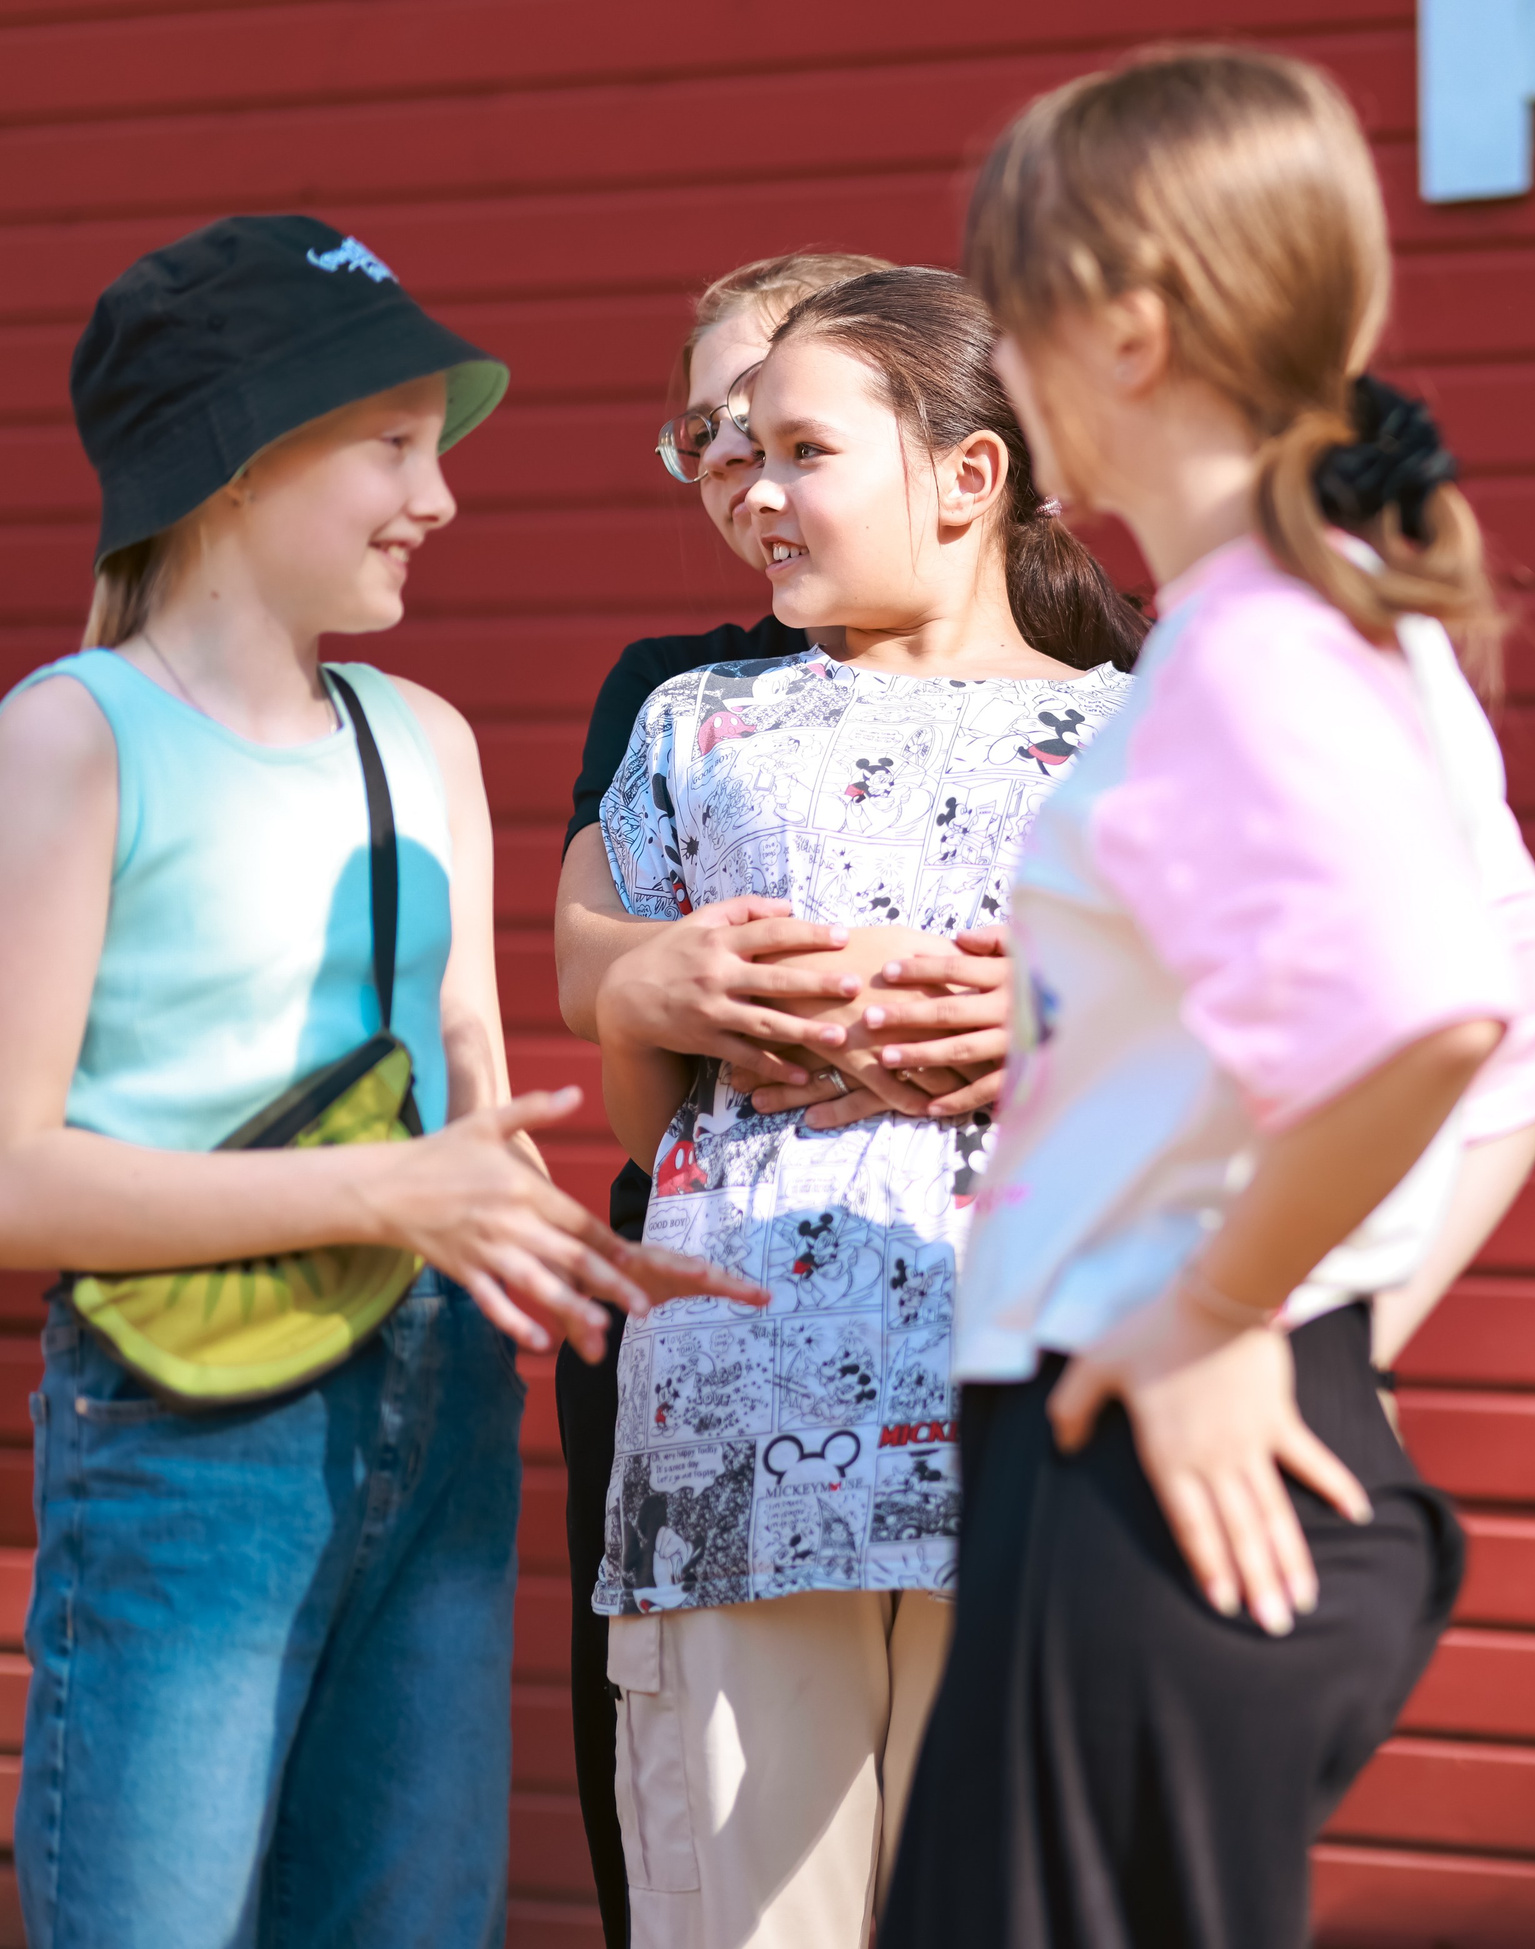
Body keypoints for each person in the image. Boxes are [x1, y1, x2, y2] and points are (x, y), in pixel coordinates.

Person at [881, 47, 1535, 1948]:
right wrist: (1314, 1333)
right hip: (1172, 1441)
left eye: (1013, 308)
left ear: (1130, 332)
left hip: (1141, 1474)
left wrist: (1225, 1312)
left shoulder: (1260, 648)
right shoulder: (1324, 621)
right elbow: (1529, 1034)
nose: (1002, 358)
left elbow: (1437, 1017)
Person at [0, 216, 755, 1949]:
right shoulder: (75, 735)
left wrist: (579, 1249)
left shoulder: (426, 739)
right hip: (191, 1429)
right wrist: (389, 1190)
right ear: (237, 461)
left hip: (438, 1411)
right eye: (393, 446)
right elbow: (13, 1174)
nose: (441, 496)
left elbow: (473, 1111)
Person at [590, 263, 1144, 1949]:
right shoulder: (698, 722)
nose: (754, 490)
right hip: (738, 1443)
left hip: (1041, 1435)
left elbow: (1233, 1067)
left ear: (968, 476)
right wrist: (663, 998)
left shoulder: (1137, 741)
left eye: (804, 452)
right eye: (738, 450)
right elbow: (642, 1108)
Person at [552, 246, 900, 1949]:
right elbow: (587, 954)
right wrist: (669, 973)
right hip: (694, 1308)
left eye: (773, 422)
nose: (736, 468)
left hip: (951, 1317)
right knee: (705, 1837)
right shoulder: (677, 691)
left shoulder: (1078, 681)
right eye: (703, 433)